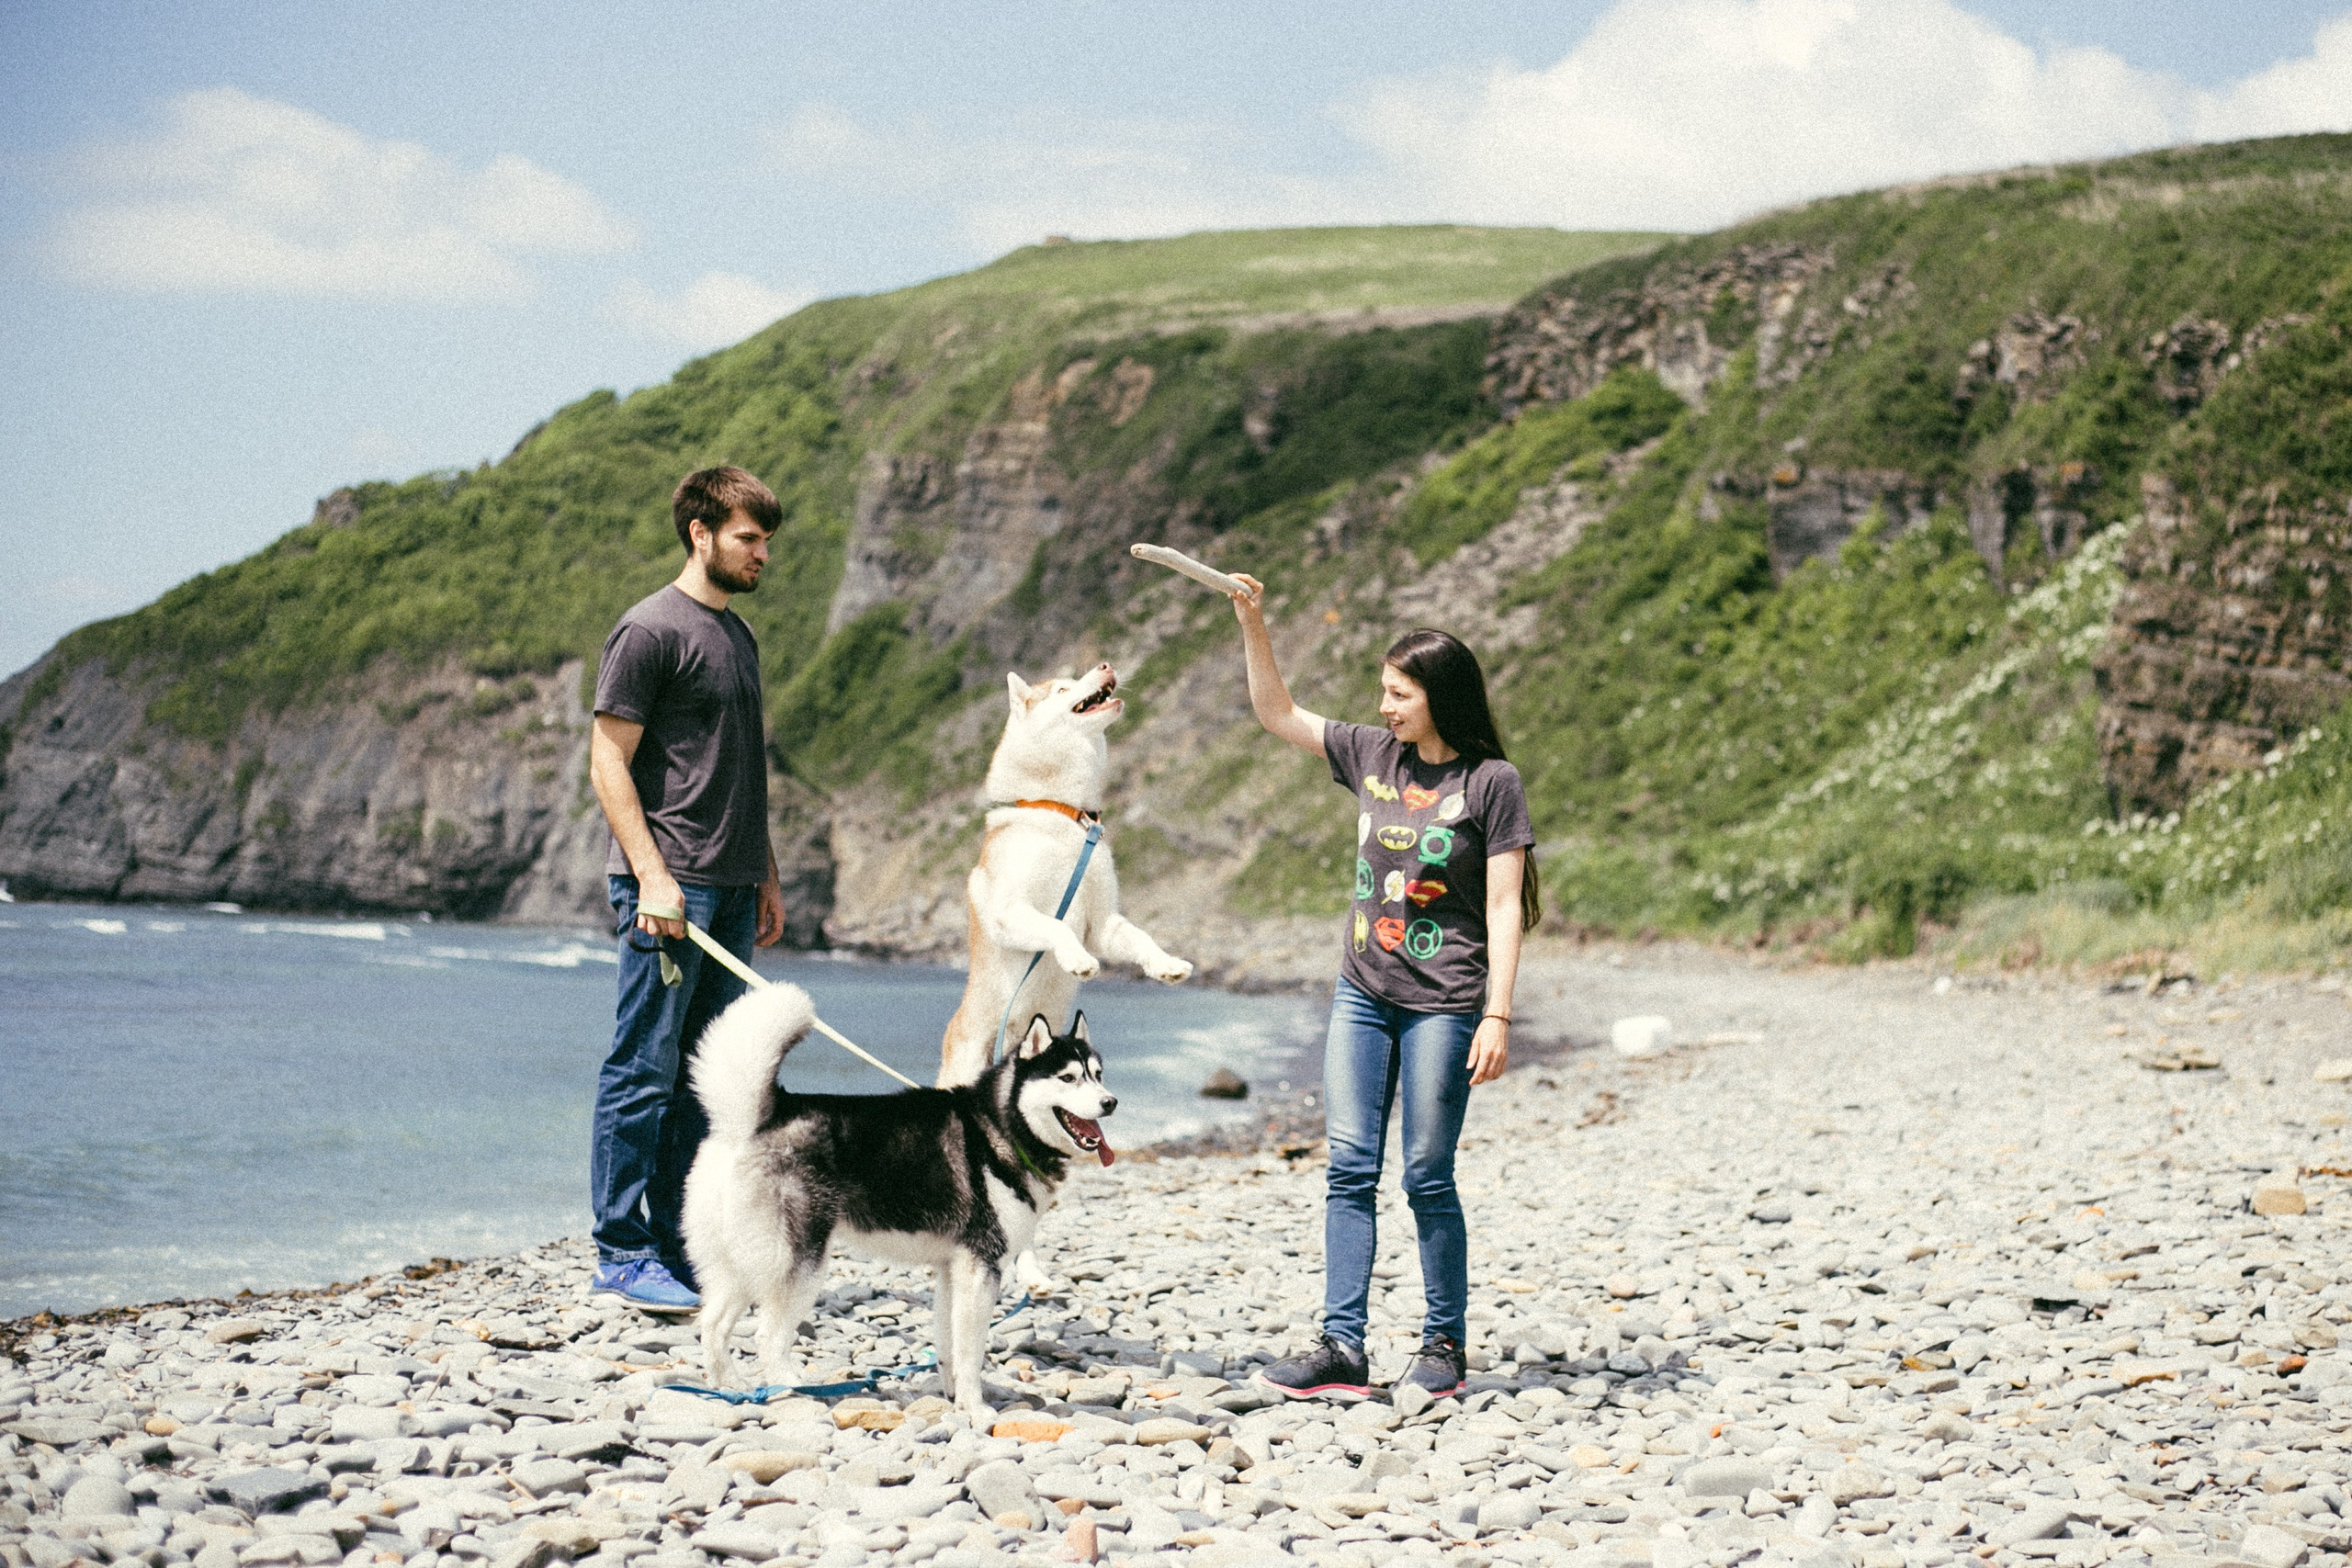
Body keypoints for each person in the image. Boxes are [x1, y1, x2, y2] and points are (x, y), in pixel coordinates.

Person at [1228, 575, 1540, 1401]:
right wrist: (1252, 621)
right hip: (1362, 993)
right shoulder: (1371, 754)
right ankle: (1342, 1345)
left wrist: (1497, 1013)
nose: (1386, 705)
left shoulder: (1491, 783)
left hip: (1445, 1001)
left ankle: (1443, 1342)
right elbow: (1277, 713)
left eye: (1399, 693)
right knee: (1349, 1167)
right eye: (1383, 692)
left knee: (1428, 1174)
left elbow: (1507, 906)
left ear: (1439, 698)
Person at [585, 466, 789, 1314]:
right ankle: (621, 1252)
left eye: (767, 541)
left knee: (705, 1079)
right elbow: (608, 761)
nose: (762, 555)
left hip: (733, 886)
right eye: (749, 537)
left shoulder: (737, 638)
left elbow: (739, 767)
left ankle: (678, 1246)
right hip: (672, 890)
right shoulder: (647, 630)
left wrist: (766, 870)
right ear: (701, 532)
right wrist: (653, 877)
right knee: (643, 1068)